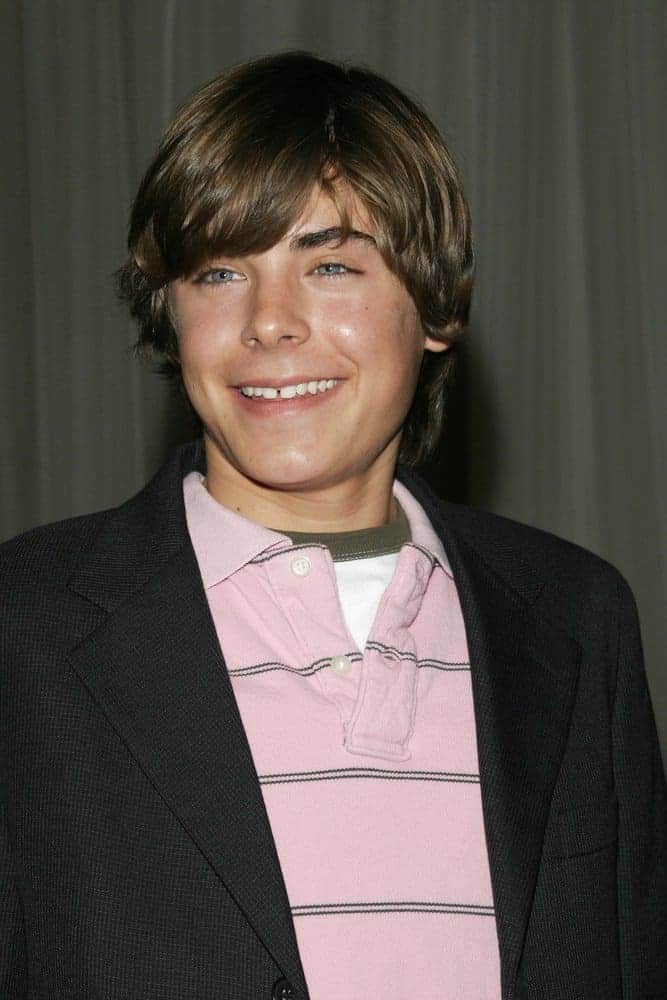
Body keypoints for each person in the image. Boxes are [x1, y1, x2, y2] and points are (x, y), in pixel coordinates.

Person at [1, 50, 665, 1000]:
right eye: (221, 271)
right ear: (170, 313)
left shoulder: (575, 617)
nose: (270, 322)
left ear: (435, 304)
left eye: (331, 264)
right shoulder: (24, 627)